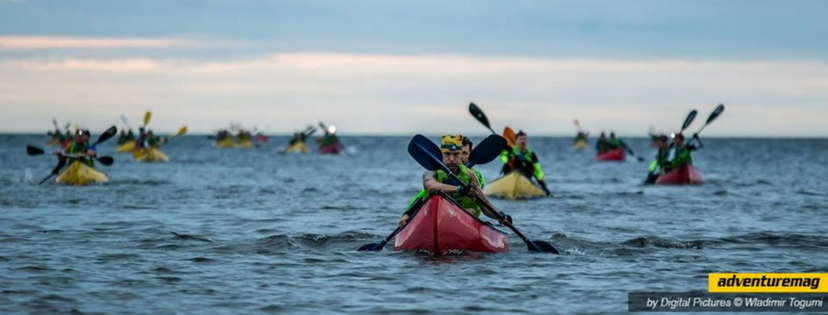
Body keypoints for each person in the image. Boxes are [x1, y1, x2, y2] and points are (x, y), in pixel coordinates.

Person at [399, 135, 509, 227]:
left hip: (464, 221)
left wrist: (500, 215)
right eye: (447, 154)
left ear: (460, 155)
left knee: (471, 211)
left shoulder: (471, 175)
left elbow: (485, 205)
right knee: (469, 211)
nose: (451, 159)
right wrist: (459, 189)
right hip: (435, 218)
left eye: (455, 154)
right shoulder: (432, 173)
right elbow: (430, 186)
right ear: (441, 155)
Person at [499, 130, 550, 195]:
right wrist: (506, 150)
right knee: (512, 160)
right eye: (520, 139)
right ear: (516, 141)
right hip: (510, 173)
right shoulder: (510, 151)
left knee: (528, 164)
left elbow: (538, 170)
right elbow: (503, 159)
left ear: (527, 141)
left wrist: (541, 181)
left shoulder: (532, 154)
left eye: (524, 139)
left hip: (526, 177)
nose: (523, 141)